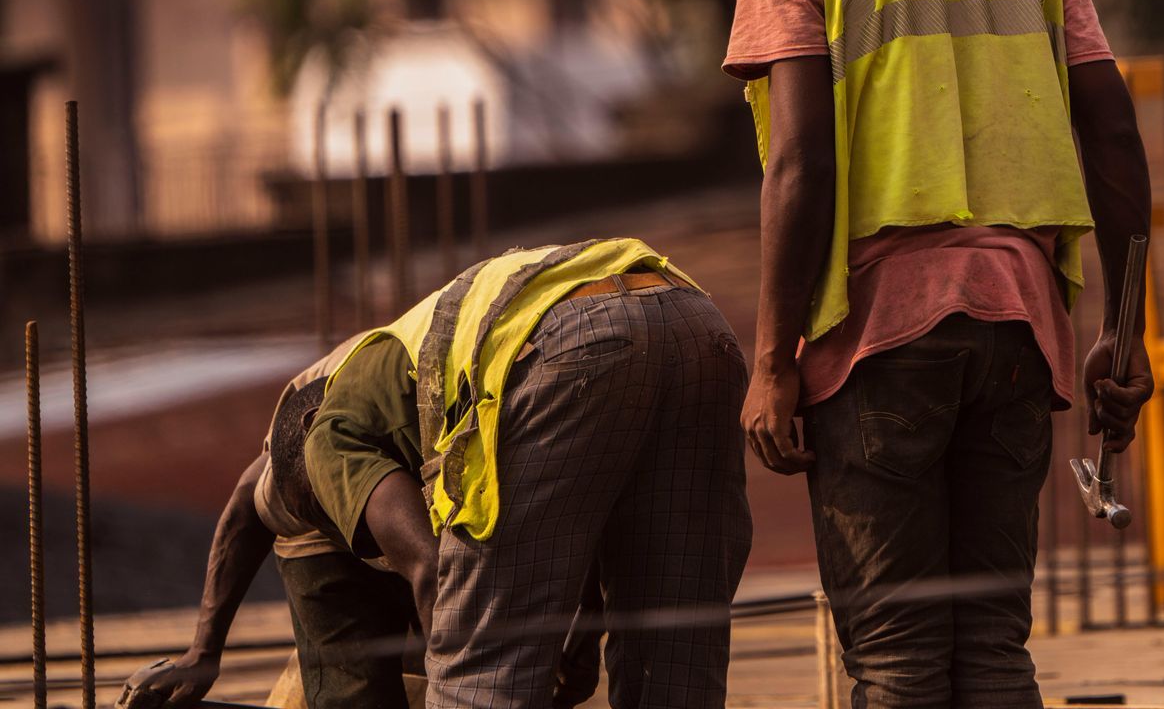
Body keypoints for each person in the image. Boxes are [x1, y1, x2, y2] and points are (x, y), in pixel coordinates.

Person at [710, 0, 1153, 708]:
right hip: (1019, 325)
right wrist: (1125, 334)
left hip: (879, 336)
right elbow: (1116, 132)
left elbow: (802, 165)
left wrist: (773, 360)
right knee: (993, 646)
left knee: (900, 656)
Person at [270, 237, 751, 709]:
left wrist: (449, 668)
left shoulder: (329, 431)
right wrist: (578, 642)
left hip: (565, 336)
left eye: (322, 504)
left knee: (480, 681)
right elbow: (591, 506)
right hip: (695, 320)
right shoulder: (396, 367)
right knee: (675, 657)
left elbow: (433, 570)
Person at [117, 338, 428, 709]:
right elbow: (243, 513)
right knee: (355, 690)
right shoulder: (295, 475)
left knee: (451, 652)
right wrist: (203, 653)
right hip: (311, 502)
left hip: (405, 473)